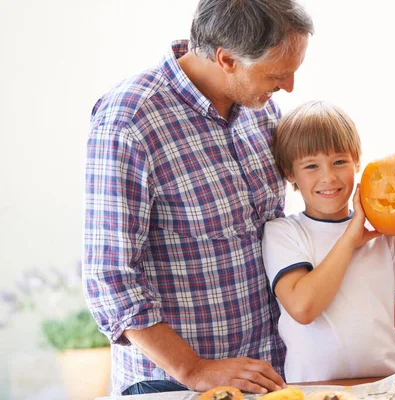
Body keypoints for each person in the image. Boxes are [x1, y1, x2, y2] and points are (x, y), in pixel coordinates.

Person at [83, 0, 313, 395]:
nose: (289, 86)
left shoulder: (260, 108)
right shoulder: (130, 119)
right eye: (278, 73)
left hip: (265, 373)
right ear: (226, 59)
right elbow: (110, 279)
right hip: (173, 384)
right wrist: (194, 370)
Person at [262, 101, 395, 382]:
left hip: (390, 387)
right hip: (315, 391)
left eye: (339, 161)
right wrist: (351, 238)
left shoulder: (387, 237)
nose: (329, 177)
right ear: (290, 174)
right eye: (311, 166)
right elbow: (303, 308)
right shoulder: (283, 233)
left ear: (357, 162)